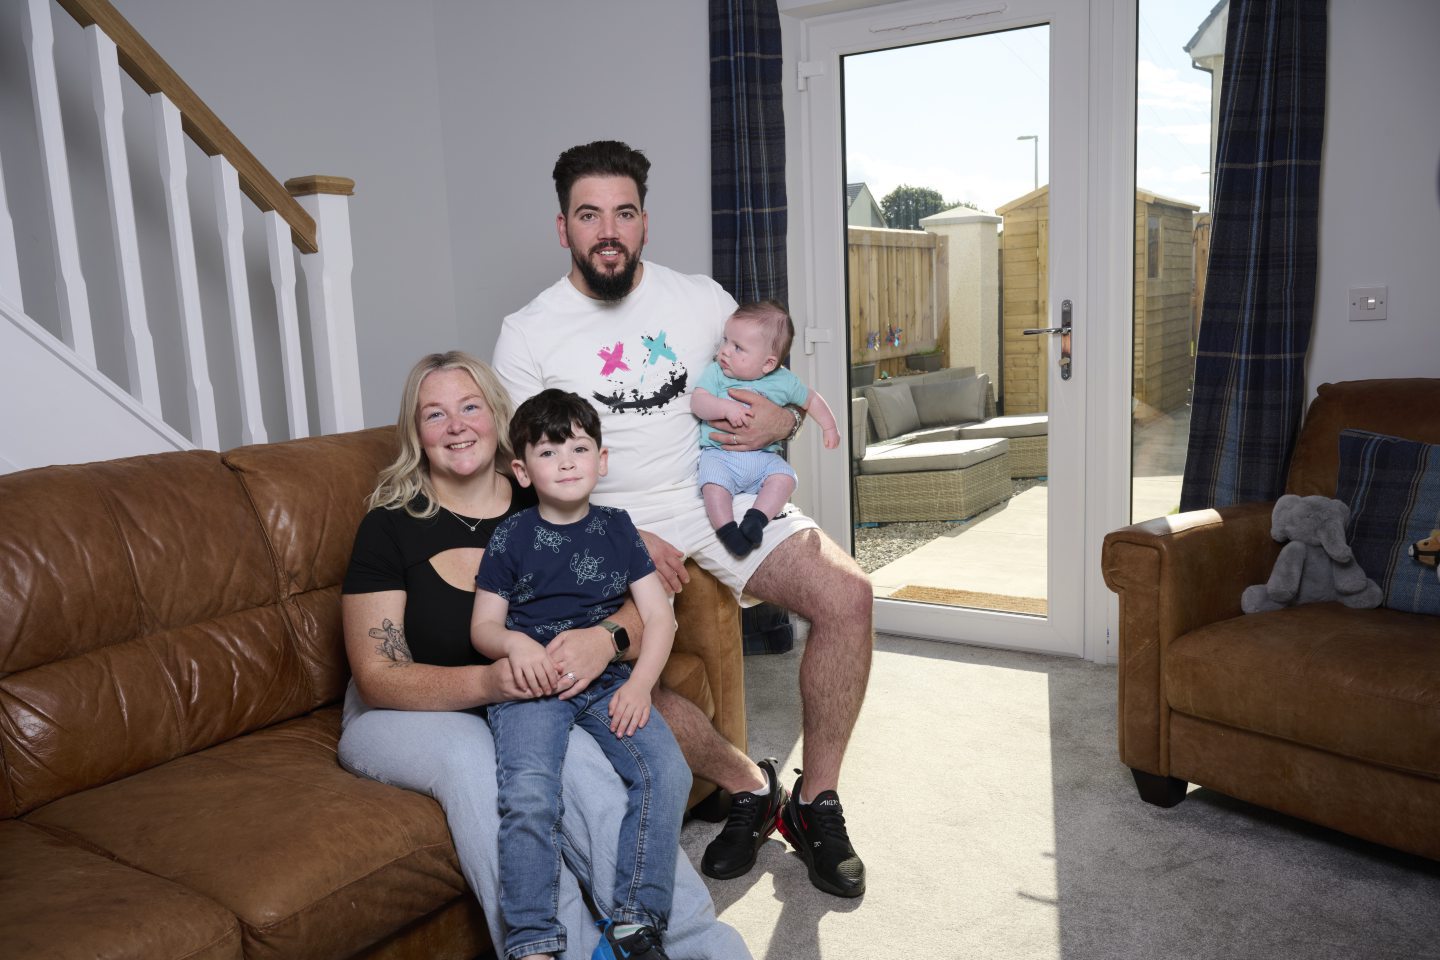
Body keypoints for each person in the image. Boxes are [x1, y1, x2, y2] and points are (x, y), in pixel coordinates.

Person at [493, 140, 873, 899]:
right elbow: (532, 475)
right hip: (606, 527)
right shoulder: (527, 333)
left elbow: (764, 387)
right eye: (589, 213)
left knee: (848, 596)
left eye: (624, 213)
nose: (609, 230)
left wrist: (777, 425)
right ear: (561, 227)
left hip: (714, 492)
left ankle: (813, 802)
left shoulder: (701, 299)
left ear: (644, 223)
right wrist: (624, 535)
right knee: (609, 681)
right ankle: (747, 786)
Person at [337, 351, 750, 959]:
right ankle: (550, 950)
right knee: (475, 765)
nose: (456, 425)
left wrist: (604, 638)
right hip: (403, 713)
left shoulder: (546, 494)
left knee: (593, 779)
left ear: (499, 422)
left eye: (470, 407)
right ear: (416, 434)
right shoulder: (390, 526)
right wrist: (492, 683)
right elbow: (378, 677)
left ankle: (692, 945)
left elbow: (646, 599)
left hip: (539, 697)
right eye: (435, 414)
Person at [472, 389, 683, 960]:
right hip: (533, 688)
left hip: (610, 683)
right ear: (521, 469)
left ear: (602, 460)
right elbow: (484, 627)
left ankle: (637, 922)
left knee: (667, 773)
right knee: (530, 795)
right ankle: (532, 939)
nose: (566, 462)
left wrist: (639, 685)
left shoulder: (618, 527)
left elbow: (659, 619)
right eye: (547, 452)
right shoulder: (511, 536)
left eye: (579, 447)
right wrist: (517, 644)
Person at [690, 300, 840, 558]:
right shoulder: (716, 373)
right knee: (712, 486)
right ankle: (728, 532)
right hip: (720, 455)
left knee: (785, 477)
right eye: (726, 340)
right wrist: (724, 408)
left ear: (768, 364)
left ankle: (756, 519)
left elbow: (811, 399)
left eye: (738, 347)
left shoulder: (783, 380)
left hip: (763, 458)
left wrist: (829, 426)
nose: (725, 351)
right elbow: (698, 402)